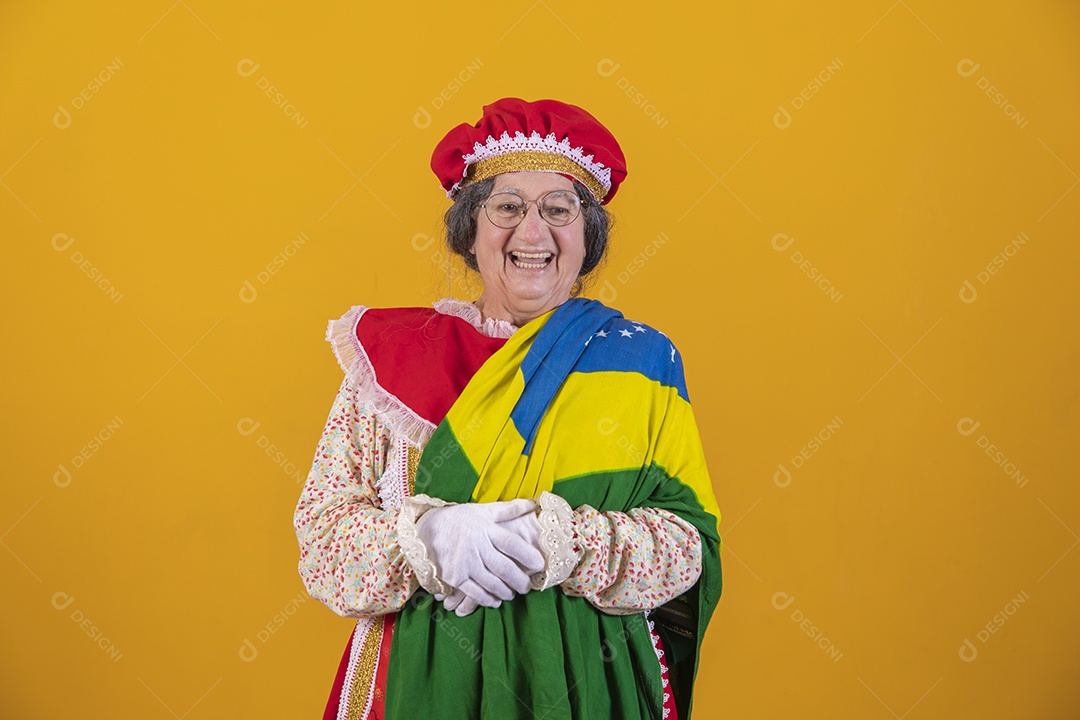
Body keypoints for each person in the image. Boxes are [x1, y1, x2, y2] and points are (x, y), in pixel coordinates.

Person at [294, 97, 722, 720]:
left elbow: (686, 548)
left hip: (588, 687)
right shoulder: (393, 362)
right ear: (469, 230)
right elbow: (323, 543)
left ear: (587, 236)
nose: (532, 232)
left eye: (558, 209)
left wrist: (562, 542)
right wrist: (426, 541)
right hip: (412, 684)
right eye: (507, 207)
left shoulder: (640, 362)